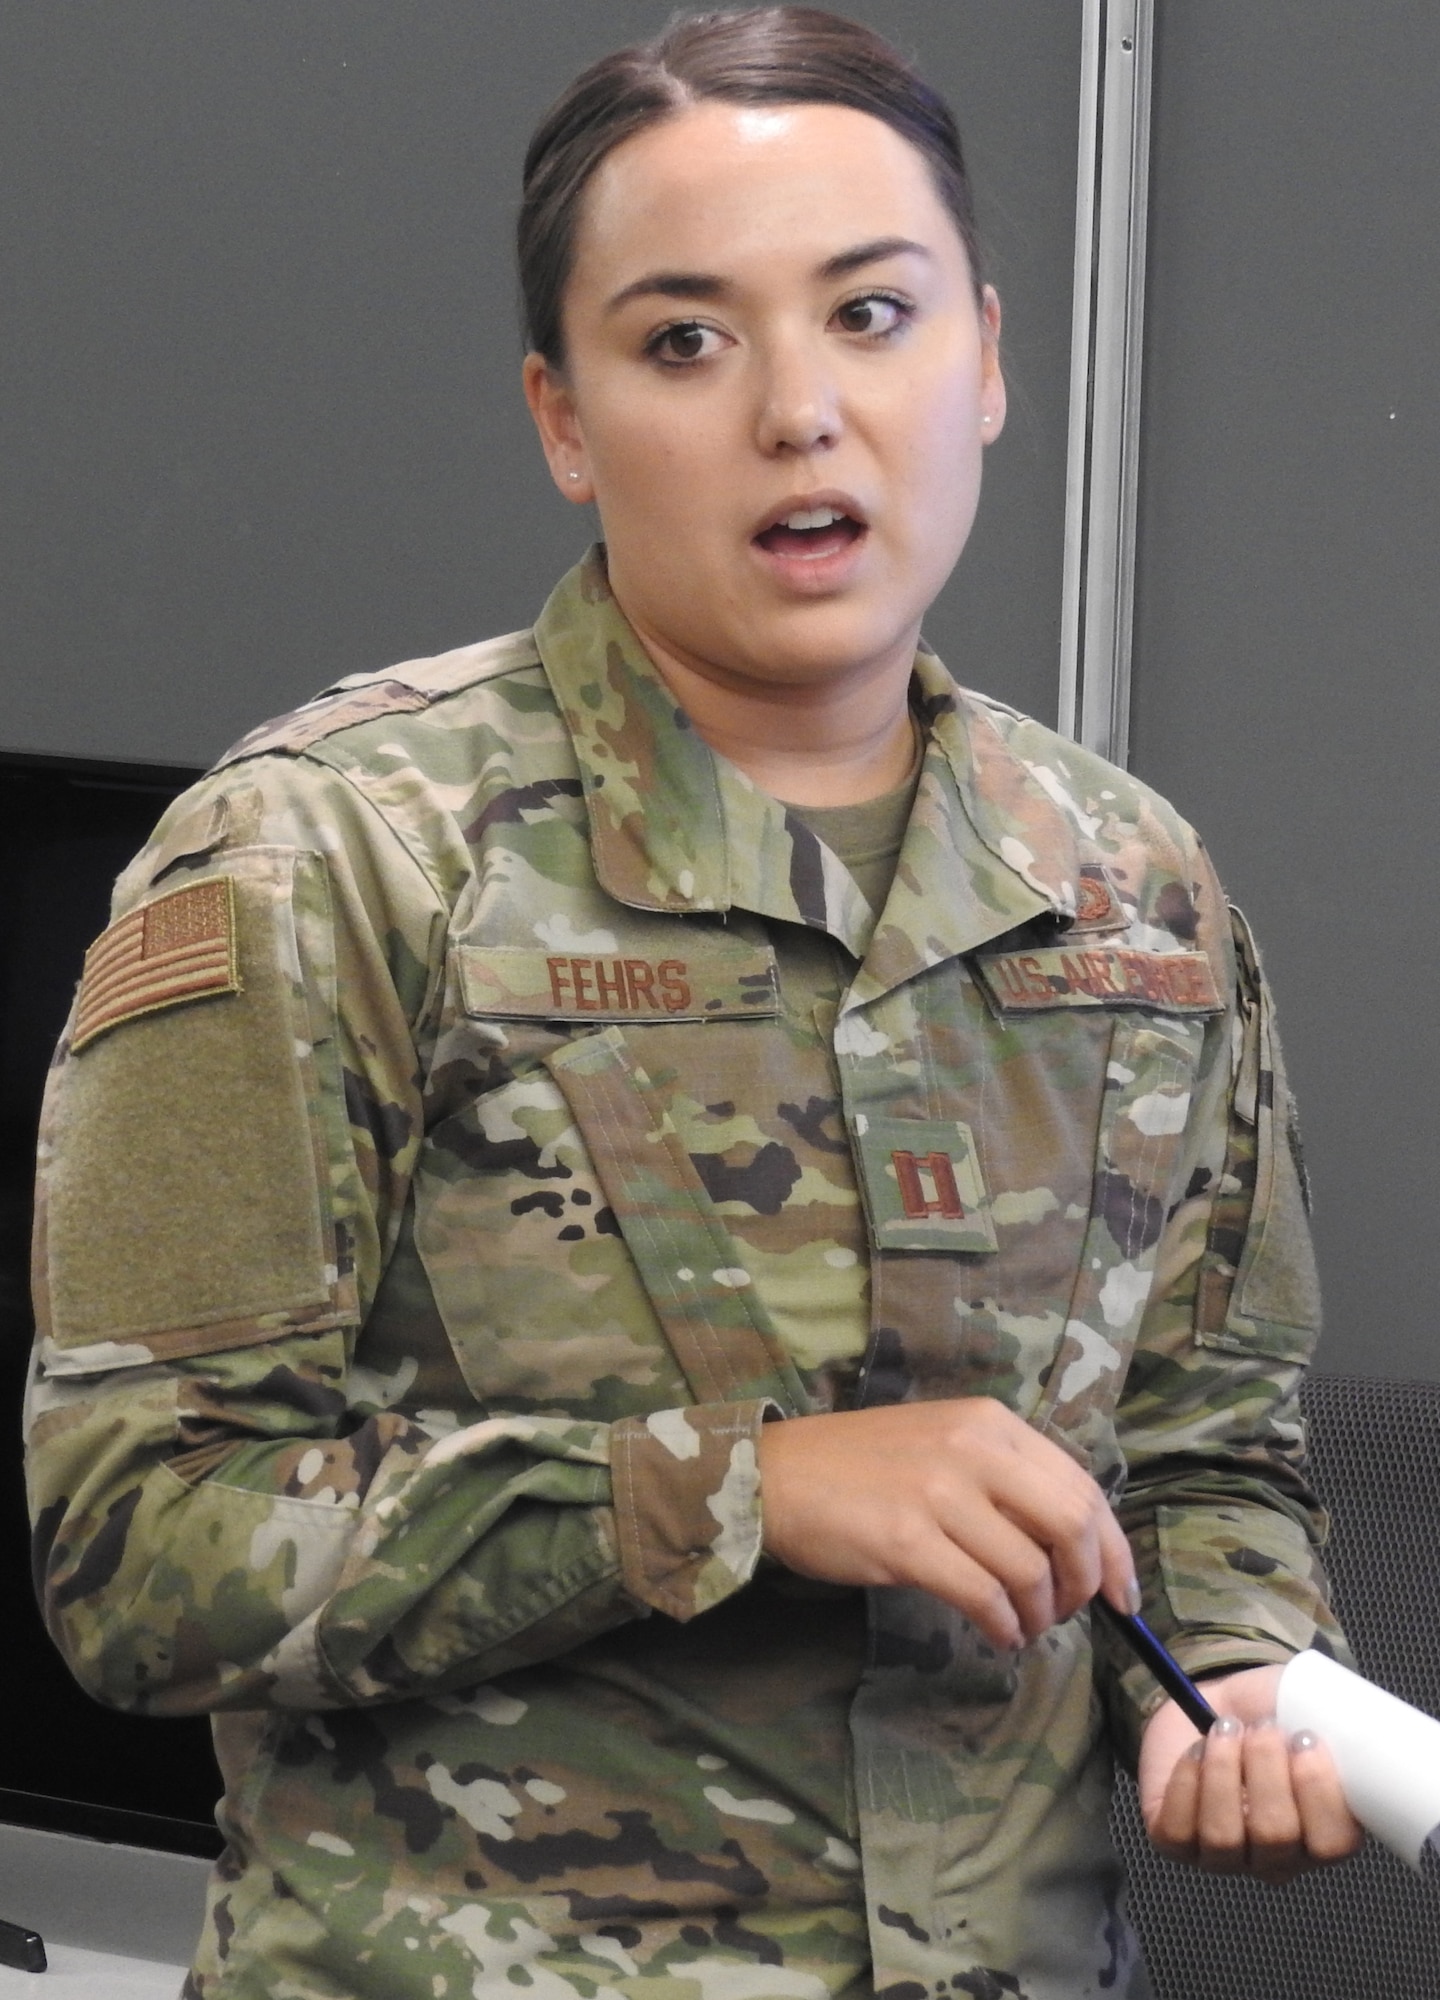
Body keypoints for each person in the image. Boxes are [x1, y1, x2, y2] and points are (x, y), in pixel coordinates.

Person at [24, 11, 1361, 1997]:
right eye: (684, 341)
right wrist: (731, 1490)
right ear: (564, 419)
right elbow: (138, 1553)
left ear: (987, 359)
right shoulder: (327, 858)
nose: (801, 411)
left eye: (871, 314)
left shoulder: (1134, 888)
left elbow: (1206, 1444)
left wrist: (1237, 1676)